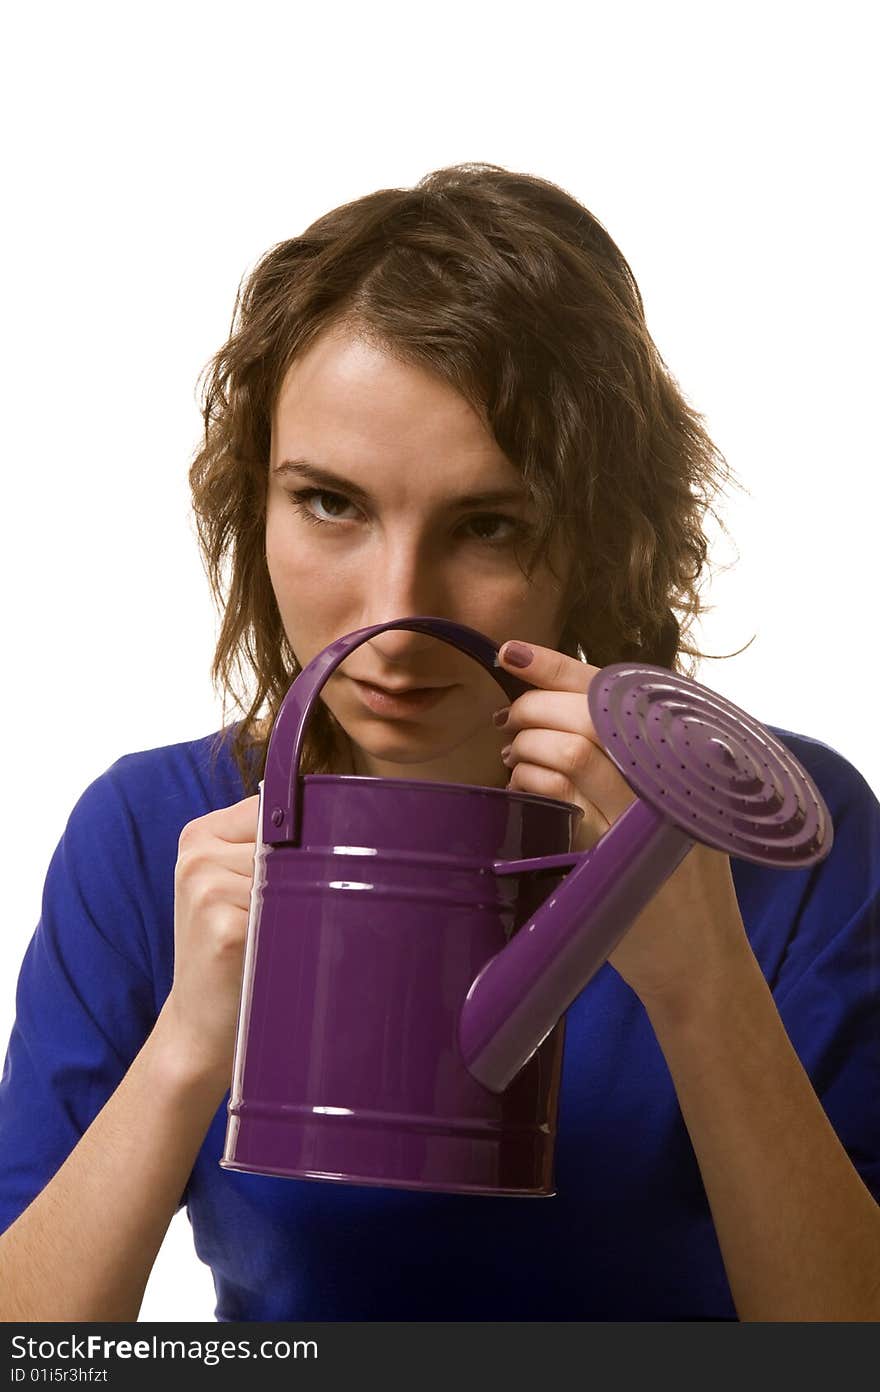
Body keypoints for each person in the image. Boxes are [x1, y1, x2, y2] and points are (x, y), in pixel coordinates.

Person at [0, 162, 878, 1323]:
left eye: (490, 524)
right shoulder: (151, 836)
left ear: (604, 536)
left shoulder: (773, 826)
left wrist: (705, 985)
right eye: (330, 503)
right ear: (248, 500)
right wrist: (186, 1052)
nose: (391, 619)